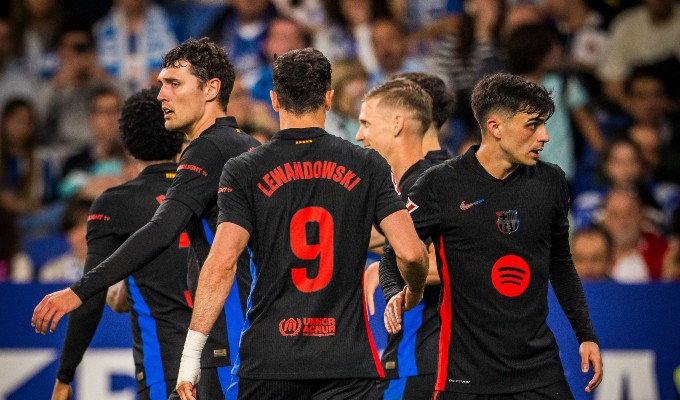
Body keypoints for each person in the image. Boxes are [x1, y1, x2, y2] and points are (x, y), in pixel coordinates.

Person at [174, 48, 428, 400]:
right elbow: (411, 253)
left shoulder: (244, 169)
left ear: (275, 100)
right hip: (346, 364)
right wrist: (414, 291)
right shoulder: (369, 164)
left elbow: (221, 263)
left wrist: (190, 357)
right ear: (328, 98)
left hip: (268, 362)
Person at [32, 37, 261, 400]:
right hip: (253, 344)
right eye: (161, 85)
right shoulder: (250, 146)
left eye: (173, 84)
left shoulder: (207, 149)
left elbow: (161, 230)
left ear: (210, 89)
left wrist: (78, 291)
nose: (162, 95)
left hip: (226, 349)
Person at [383, 73, 603, 398]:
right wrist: (393, 291)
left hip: (539, 371)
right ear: (495, 127)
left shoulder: (551, 182)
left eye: (544, 125)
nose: (544, 136)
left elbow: (560, 264)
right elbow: (394, 250)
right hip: (464, 376)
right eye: (532, 125)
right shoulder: (439, 185)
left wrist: (586, 335)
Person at [50, 86, 191, 400]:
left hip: (165, 364)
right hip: (226, 359)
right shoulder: (213, 190)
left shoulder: (115, 203)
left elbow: (90, 296)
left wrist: (64, 376)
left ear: (126, 141)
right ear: (180, 135)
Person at [355, 78, 440, 400]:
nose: (359, 134)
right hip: (413, 358)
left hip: (423, 359)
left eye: (366, 123)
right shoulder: (400, 188)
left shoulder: (428, 185)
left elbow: (468, 261)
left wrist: (398, 266)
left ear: (396, 124)